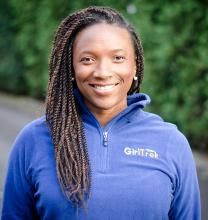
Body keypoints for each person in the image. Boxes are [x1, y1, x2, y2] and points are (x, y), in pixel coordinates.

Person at [1, 6, 201, 220]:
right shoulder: (33, 140)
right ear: (71, 67)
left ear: (135, 66)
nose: (103, 72)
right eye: (88, 59)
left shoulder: (170, 142)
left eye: (118, 58)